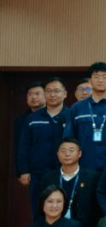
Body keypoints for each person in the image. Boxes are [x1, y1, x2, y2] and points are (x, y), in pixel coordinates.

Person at [17, 77, 71, 210]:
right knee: (39, 210)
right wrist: (23, 171)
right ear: (45, 94)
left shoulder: (71, 116)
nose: (52, 94)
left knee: (66, 209)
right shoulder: (32, 118)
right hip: (38, 173)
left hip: (66, 172)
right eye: (48, 91)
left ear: (65, 94)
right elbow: (24, 145)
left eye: (56, 91)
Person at [65, 62, 106, 171]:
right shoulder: (76, 108)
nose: (100, 80)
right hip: (83, 165)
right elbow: (69, 138)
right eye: (96, 77)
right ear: (90, 80)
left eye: (104, 77)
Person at [40, 138, 101, 227]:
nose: (67, 154)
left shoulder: (92, 177)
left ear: (79, 154)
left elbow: (96, 208)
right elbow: (42, 206)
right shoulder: (48, 178)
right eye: (63, 151)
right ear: (58, 154)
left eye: (71, 150)